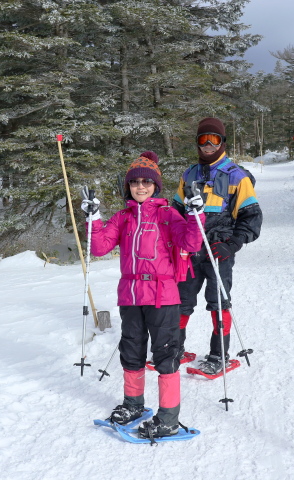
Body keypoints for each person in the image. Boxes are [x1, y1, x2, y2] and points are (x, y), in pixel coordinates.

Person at [83, 151, 205, 439]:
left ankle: (168, 419)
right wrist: (94, 218)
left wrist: (195, 213)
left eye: (146, 182)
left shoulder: (167, 215)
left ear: (155, 186)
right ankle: (134, 404)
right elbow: (99, 247)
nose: (140, 186)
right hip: (131, 295)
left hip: (163, 295)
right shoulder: (123, 217)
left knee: (165, 356)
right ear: (128, 186)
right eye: (135, 182)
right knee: (132, 352)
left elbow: (191, 241)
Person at [172, 117, 263, 375]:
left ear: (223, 142)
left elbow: (252, 216)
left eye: (214, 139)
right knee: (181, 299)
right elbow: (176, 212)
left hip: (218, 250)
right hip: (190, 250)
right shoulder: (189, 174)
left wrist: (233, 244)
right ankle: (175, 349)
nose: (208, 145)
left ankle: (218, 354)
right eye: (203, 140)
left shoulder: (237, 176)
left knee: (218, 301)